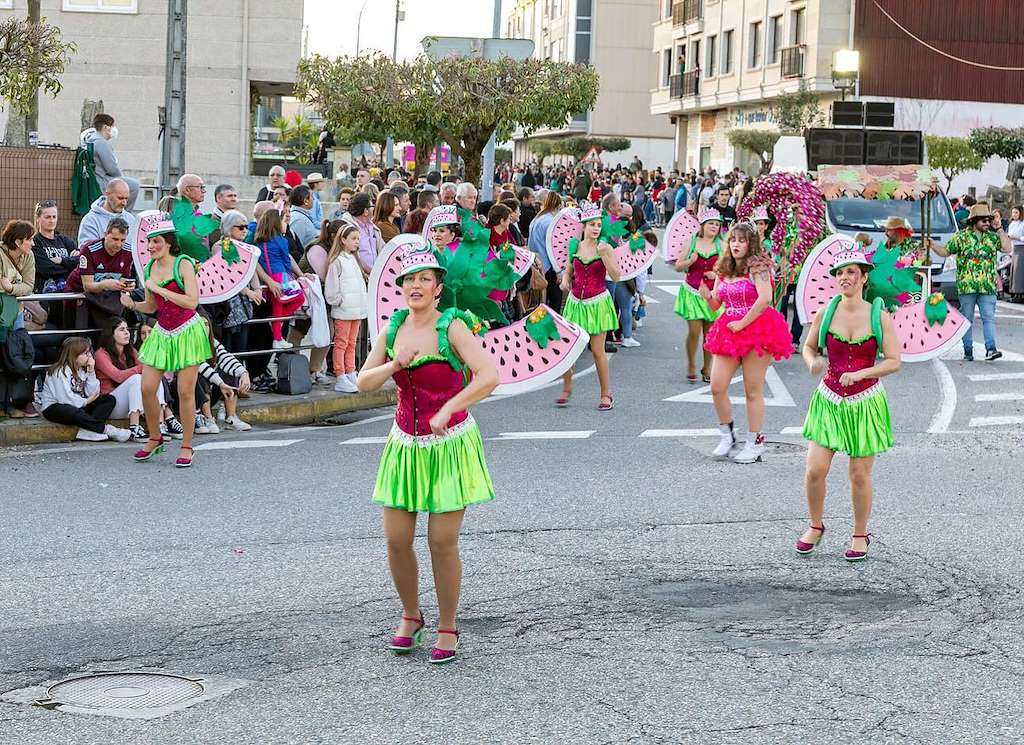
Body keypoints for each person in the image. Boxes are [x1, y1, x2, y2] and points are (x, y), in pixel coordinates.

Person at [356, 245, 499, 664]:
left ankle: (448, 624)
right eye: (408, 279)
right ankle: (410, 615)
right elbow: (364, 382)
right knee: (397, 540)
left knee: (441, 540)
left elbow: (489, 376)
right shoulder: (393, 328)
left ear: (438, 288)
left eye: (424, 279)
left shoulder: (453, 327)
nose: (415, 285)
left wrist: (450, 408)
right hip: (404, 444)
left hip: (449, 444)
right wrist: (393, 365)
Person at [797, 251, 901, 562]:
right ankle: (815, 526)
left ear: (864, 277)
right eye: (840, 272)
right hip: (829, 399)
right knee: (815, 470)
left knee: (858, 474)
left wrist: (861, 373)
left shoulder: (877, 315)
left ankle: (860, 533)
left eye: (851, 272)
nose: (845, 277)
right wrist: (812, 361)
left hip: (866, 402)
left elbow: (894, 362)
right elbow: (808, 346)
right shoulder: (826, 313)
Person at [120, 217, 212, 467]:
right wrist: (132, 304)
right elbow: (151, 306)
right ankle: (155, 437)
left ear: (169, 243)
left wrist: (159, 290)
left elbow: (192, 302)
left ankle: (187, 446)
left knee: (184, 391)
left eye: (156, 241)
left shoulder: (183, 264)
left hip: (188, 331)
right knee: (147, 388)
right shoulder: (149, 268)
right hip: (162, 331)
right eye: (149, 242)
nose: (151, 246)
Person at [701, 222, 793, 463]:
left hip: (757, 329)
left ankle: (755, 442)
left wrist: (743, 323)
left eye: (741, 240)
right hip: (729, 329)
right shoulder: (724, 268)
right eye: (733, 240)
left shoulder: (759, 267)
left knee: (753, 391)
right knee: (717, 385)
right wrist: (706, 294)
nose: (736, 244)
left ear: (750, 243)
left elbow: (765, 299)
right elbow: (715, 304)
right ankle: (727, 434)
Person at [557, 202, 621, 411]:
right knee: (570, 350)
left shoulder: (605, 247)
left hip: (597, 304)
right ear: (584, 225)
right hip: (575, 303)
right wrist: (565, 280)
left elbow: (616, 276)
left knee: (597, 351)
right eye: (592, 224)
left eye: (598, 225)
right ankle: (566, 389)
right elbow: (569, 270)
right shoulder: (575, 245)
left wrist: (605, 256)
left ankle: (606, 394)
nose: (596, 228)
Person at [931, 203, 1012, 361]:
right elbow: (945, 252)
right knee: (966, 319)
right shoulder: (961, 237)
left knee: (988, 318)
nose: (987, 223)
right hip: (966, 285)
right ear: (974, 221)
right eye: (984, 221)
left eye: (988, 220)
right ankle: (968, 350)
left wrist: (1000, 228)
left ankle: (991, 349)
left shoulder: (992, 237)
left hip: (987, 285)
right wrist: (933, 245)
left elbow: (1007, 248)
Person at [40, 336, 131, 442]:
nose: (90, 356)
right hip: (54, 407)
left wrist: (91, 371)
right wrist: (86, 401)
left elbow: (93, 393)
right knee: (73, 411)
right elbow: (65, 399)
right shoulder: (60, 371)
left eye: (89, 352)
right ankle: (107, 430)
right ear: (74, 355)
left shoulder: (82, 370)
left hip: (78, 404)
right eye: (85, 353)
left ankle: (88, 431)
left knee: (109, 399)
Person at [94, 316, 167, 442]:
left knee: (153, 378)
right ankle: (134, 427)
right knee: (136, 379)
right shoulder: (101, 354)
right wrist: (142, 368)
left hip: (131, 403)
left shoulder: (130, 351)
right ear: (111, 334)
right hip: (112, 405)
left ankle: (159, 424)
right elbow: (118, 376)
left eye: (127, 329)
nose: (127, 332)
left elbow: (147, 367)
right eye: (122, 329)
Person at [674, 207, 724, 383]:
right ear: (702, 225)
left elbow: (730, 270)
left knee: (710, 335)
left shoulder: (722, 245)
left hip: (712, 295)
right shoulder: (691, 242)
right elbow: (678, 266)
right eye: (711, 223)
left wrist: (716, 274)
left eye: (717, 224)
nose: (714, 227)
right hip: (692, 292)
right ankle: (691, 364)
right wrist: (690, 261)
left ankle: (707, 367)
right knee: (694, 332)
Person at [67, 217, 135, 327]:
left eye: (122, 240)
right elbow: (87, 286)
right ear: (105, 235)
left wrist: (127, 287)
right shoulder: (89, 249)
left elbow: (123, 283)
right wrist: (105, 284)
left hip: (106, 297)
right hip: (78, 290)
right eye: (115, 239)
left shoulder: (128, 252)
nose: (118, 244)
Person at [253, 209, 307, 349]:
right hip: (281, 275)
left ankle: (277, 327)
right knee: (298, 298)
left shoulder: (260, 241)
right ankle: (277, 333)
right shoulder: (281, 241)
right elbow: (286, 260)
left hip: (268, 278)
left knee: (278, 306)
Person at [324, 224, 368, 393]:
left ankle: (351, 371)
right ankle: (340, 375)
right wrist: (339, 300)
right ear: (343, 240)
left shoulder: (353, 260)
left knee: (351, 343)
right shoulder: (337, 261)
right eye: (353, 239)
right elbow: (332, 287)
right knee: (341, 343)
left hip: (356, 309)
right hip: (344, 310)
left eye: (358, 239)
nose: (357, 242)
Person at [217, 210, 265, 355]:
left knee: (242, 345)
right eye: (240, 227)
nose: (245, 230)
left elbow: (252, 270)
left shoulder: (245, 247)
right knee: (230, 345)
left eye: (246, 227)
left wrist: (257, 289)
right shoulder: (222, 246)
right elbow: (227, 275)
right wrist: (249, 291)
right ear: (228, 228)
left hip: (244, 302)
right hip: (230, 304)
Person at [80, 113, 140, 211]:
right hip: (103, 182)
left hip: (95, 180)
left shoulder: (90, 141)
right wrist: (120, 177)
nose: (113, 129)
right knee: (134, 186)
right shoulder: (101, 143)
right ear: (105, 127)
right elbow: (112, 169)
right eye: (112, 126)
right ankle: (123, 214)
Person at [31, 200, 79, 295]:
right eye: (47, 217)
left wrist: (62, 261)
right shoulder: (35, 242)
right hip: (45, 293)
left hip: (69, 291)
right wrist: (70, 267)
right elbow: (46, 270)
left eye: (54, 217)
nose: (52, 220)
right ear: (38, 218)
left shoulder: (65, 240)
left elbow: (80, 262)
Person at [527, 191, 563, 311]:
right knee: (554, 304)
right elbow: (554, 248)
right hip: (549, 268)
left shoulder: (537, 219)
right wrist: (559, 271)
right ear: (558, 206)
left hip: (536, 265)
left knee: (539, 304)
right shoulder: (551, 222)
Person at [77, 179, 138, 247]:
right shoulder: (90, 220)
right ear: (107, 195)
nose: (124, 203)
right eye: (120, 198)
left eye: (126, 198)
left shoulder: (131, 219)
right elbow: (86, 251)